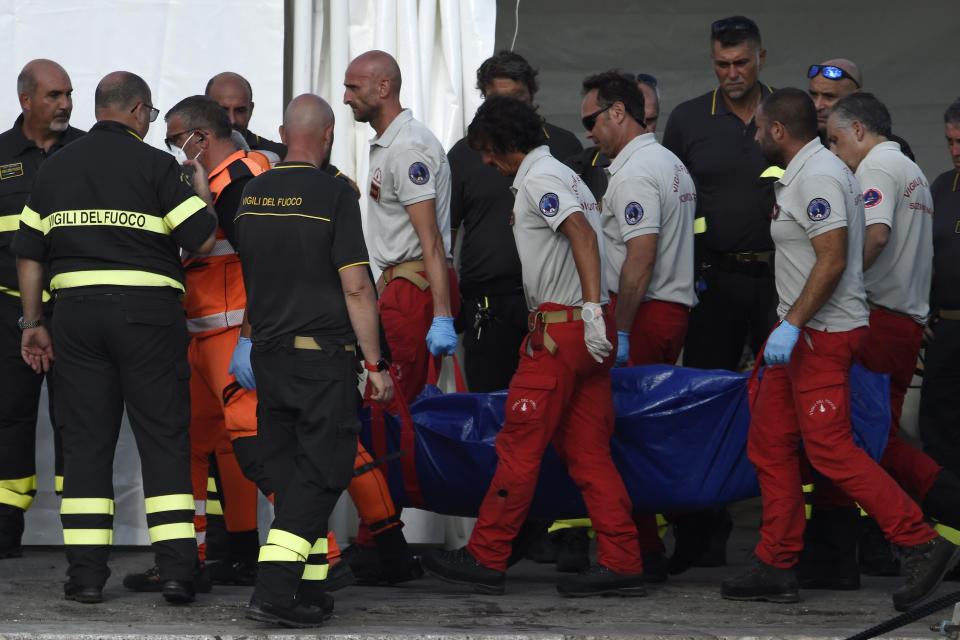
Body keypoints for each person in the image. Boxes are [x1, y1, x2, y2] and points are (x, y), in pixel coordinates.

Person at [720, 88, 960, 611]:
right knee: (770, 443)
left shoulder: (821, 176)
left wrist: (794, 325)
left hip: (822, 334)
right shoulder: (806, 175)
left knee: (831, 449)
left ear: (779, 131)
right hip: (802, 334)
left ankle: (918, 540)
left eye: (760, 128)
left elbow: (832, 258)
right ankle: (777, 561)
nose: (756, 136)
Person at [422, 95, 647, 598]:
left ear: (504, 145)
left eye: (486, 150)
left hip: (563, 330)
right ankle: (623, 559)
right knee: (589, 454)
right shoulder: (563, 174)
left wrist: (588, 312)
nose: (483, 160)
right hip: (585, 331)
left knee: (518, 444)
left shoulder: (542, 180)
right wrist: (597, 318)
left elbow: (583, 238)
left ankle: (487, 554)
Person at [12, 71, 217, 604]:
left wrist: (33, 324)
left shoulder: (56, 168)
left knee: (85, 445)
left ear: (98, 108)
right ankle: (175, 571)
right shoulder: (156, 165)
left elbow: (29, 252)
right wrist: (198, 189)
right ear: (138, 112)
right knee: (164, 441)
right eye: (149, 116)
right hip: (149, 318)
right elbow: (201, 236)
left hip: (76, 319)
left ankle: (84, 578)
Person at [235, 93, 393, 628]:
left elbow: (256, 277)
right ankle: (274, 591)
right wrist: (375, 364)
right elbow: (355, 287)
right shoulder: (333, 194)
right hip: (320, 361)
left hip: (269, 358)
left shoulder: (251, 195)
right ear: (326, 137)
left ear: (283, 132)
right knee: (322, 471)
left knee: (289, 471)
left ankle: (306, 587)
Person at [122, 95, 265, 593]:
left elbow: (260, 261)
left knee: (254, 445)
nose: (173, 152)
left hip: (232, 336)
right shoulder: (217, 180)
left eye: (175, 140)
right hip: (202, 336)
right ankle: (188, 559)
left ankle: (322, 557)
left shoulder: (243, 180)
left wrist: (250, 337)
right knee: (192, 450)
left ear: (199, 138)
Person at [661, 15, 778, 573]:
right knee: (702, 404)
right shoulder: (687, 119)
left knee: (788, 404)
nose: (732, 74)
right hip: (713, 281)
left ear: (761, 58)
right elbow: (671, 201)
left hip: (783, 284)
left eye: (742, 63)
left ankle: (793, 541)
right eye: (722, 64)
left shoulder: (791, 111)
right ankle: (701, 534)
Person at [580, 71, 697, 581]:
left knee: (624, 435)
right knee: (642, 434)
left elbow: (639, 259)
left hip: (643, 311)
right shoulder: (669, 163)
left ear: (618, 113)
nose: (587, 132)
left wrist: (620, 329)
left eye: (591, 120)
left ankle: (640, 550)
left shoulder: (634, 173)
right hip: (666, 309)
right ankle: (646, 545)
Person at [449, 50, 581, 395]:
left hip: (553, 306)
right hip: (487, 304)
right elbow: (442, 238)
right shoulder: (467, 153)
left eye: (517, 100)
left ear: (533, 97)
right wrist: (443, 310)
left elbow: (590, 230)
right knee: (488, 407)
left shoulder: (564, 146)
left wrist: (595, 306)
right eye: (498, 100)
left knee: (553, 405)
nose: (508, 111)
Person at [0, 59, 83, 558]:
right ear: (26, 100)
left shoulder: (90, 152)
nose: (66, 105)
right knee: (9, 418)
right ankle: (5, 531)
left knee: (79, 420)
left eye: (69, 94)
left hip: (76, 316)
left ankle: (83, 531)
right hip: (9, 315)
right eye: (55, 95)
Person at [343, 50, 459, 404]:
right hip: (403, 286)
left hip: (415, 291)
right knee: (397, 407)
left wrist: (441, 314)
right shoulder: (391, 143)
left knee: (390, 405)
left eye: (353, 87)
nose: (346, 97)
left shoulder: (407, 147)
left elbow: (431, 240)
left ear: (383, 87)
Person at [920, 98, 960, 476]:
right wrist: (924, 311)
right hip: (946, 326)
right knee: (938, 420)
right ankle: (949, 515)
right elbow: (924, 255)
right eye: (950, 141)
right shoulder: (943, 186)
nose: (955, 151)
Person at [567, 72, 663, 213]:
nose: (642, 126)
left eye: (650, 120)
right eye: (589, 123)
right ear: (619, 113)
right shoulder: (574, 172)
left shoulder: (669, 168)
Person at [806, 59, 915, 160]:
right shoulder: (801, 144)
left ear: (856, 97)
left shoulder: (890, 150)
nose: (817, 106)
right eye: (813, 95)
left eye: (829, 97)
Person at [206, 72, 285, 161]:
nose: (232, 120)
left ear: (250, 110)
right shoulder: (191, 152)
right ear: (205, 110)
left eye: (240, 111)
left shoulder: (279, 156)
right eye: (223, 110)